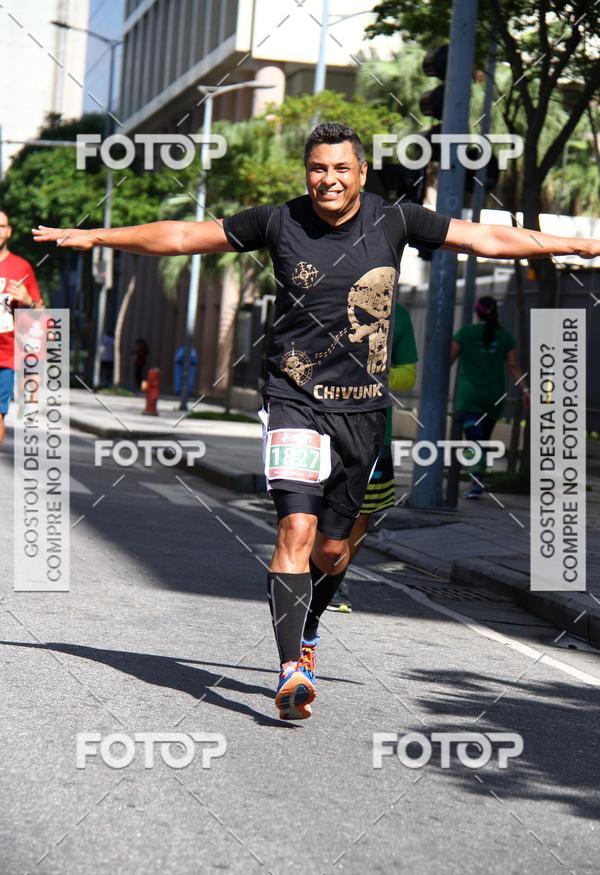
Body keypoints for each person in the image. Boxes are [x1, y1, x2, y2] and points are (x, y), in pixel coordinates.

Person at [33, 122, 600, 721]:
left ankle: (308, 629)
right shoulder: (279, 221)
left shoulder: (396, 220)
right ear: (307, 172)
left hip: (363, 411)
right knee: (295, 531)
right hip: (294, 399)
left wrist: (578, 245)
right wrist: (97, 235)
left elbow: (484, 237)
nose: (328, 180)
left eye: (340, 169)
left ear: (361, 173)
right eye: (317, 169)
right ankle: (291, 668)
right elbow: (183, 235)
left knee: (331, 551)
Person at [326, 301, 418, 613]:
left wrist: (373, 373)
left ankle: (334, 580)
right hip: (322, 421)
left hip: (375, 431)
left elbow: (408, 374)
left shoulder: (399, 315)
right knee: (314, 506)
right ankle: (308, 571)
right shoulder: (333, 301)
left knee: (360, 514)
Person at [450, 296, 529, 498]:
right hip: (493, 398)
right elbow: (513, 366)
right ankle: (477, 480)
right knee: (482, 439)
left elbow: (448, 360)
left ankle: (476, 479)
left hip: (469, 397)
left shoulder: (465, 333)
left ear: (477, 313)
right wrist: (526, 391)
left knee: (474, 439)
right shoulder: (505, 337)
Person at [0, 209, 43, 449]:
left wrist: (27, 300)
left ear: (8, 231)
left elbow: (40, 310)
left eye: (1, 226)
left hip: (4, 355)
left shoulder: (21, 267)